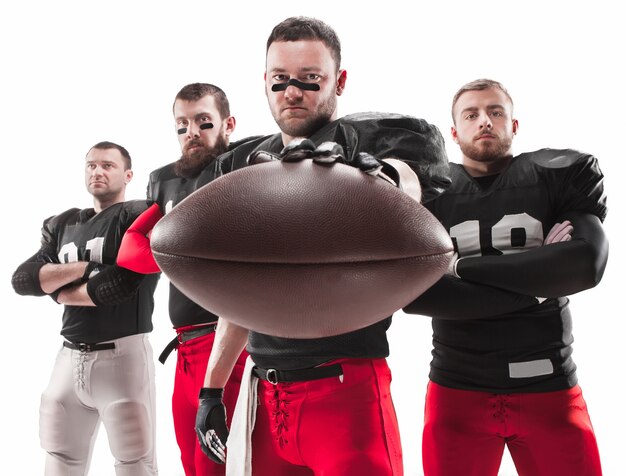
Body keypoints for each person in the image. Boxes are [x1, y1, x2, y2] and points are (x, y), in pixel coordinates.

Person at [194, 17, 450, 476]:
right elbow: (235, 288)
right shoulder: (242, 163)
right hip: (266, 392)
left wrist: (378, 181)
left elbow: (411, 177)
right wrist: (212, 389)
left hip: (345, 387)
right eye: (280, 80)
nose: (293, 92)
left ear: (340, 81)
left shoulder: (363, 142)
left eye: (310, 80)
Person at [404, 79, 608, 476]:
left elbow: (586, 265)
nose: (485, 121)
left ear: (514, 125)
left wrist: (458, 268)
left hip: (549, 388)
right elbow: (412, 295)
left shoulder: (556, 174)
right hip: (456, 390)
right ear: (453, 132)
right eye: (472, 114)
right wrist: (539, 280)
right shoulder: (428, 193)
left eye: (496, 112)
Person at [116, 83, 263, 476]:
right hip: (183, 347)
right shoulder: (163, 179)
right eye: (182, 125)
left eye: (203, 121)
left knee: (219, 464)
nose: (191, 132)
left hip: (229, 343)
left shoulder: (241, 164)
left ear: (228, 124)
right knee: (191, 464)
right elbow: (132, 250)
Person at [11, 141, 160, 475]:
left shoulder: (138, 214)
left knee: (135, 461)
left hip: (122, 357)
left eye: (108, 165)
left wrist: (58, 287)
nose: (97, 171)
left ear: (128, 174)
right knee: (59, 456)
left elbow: (115, 287)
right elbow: (23, 279)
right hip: (67, 357)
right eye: (91, 165)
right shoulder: (62, 223)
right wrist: (85, 269)